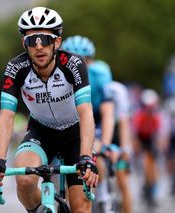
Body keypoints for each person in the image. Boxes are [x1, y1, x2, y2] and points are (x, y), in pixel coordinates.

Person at [0, 7, 98, 213]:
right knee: (25, 180)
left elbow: (86, 112)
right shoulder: (15, 68)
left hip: (75, 134)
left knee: (80, 208)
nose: (39, 47)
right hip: (41, 131)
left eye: (45, 40)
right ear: (24, 44)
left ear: (57, 42)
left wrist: (86, 157)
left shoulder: (74, 64)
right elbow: (6, 116)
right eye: (31, 40)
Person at [61, 35, 116, 211]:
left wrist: (106, 145)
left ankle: (103, 197)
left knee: (97, 155)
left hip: (96, 120)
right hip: (71, 122)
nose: (80, 65)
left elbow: (108, 113)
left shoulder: (100, 73)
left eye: (85, 60)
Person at [105, 80, 133, 213]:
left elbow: (124, 123)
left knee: (123, 184)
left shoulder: (117, 92)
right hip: (101, 134)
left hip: (117, 137)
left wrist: (125, 150)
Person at [132, 89, 162, 207]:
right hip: (141, 141)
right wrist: (136, 146)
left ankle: (153, 192)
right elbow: (134, 134)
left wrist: (159, 147)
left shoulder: (156, 116)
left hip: (151, 142)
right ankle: (144, 185)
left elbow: (159, 135)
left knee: (153, 169)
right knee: (144, 166)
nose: (150, 110)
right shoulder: (140, 116)